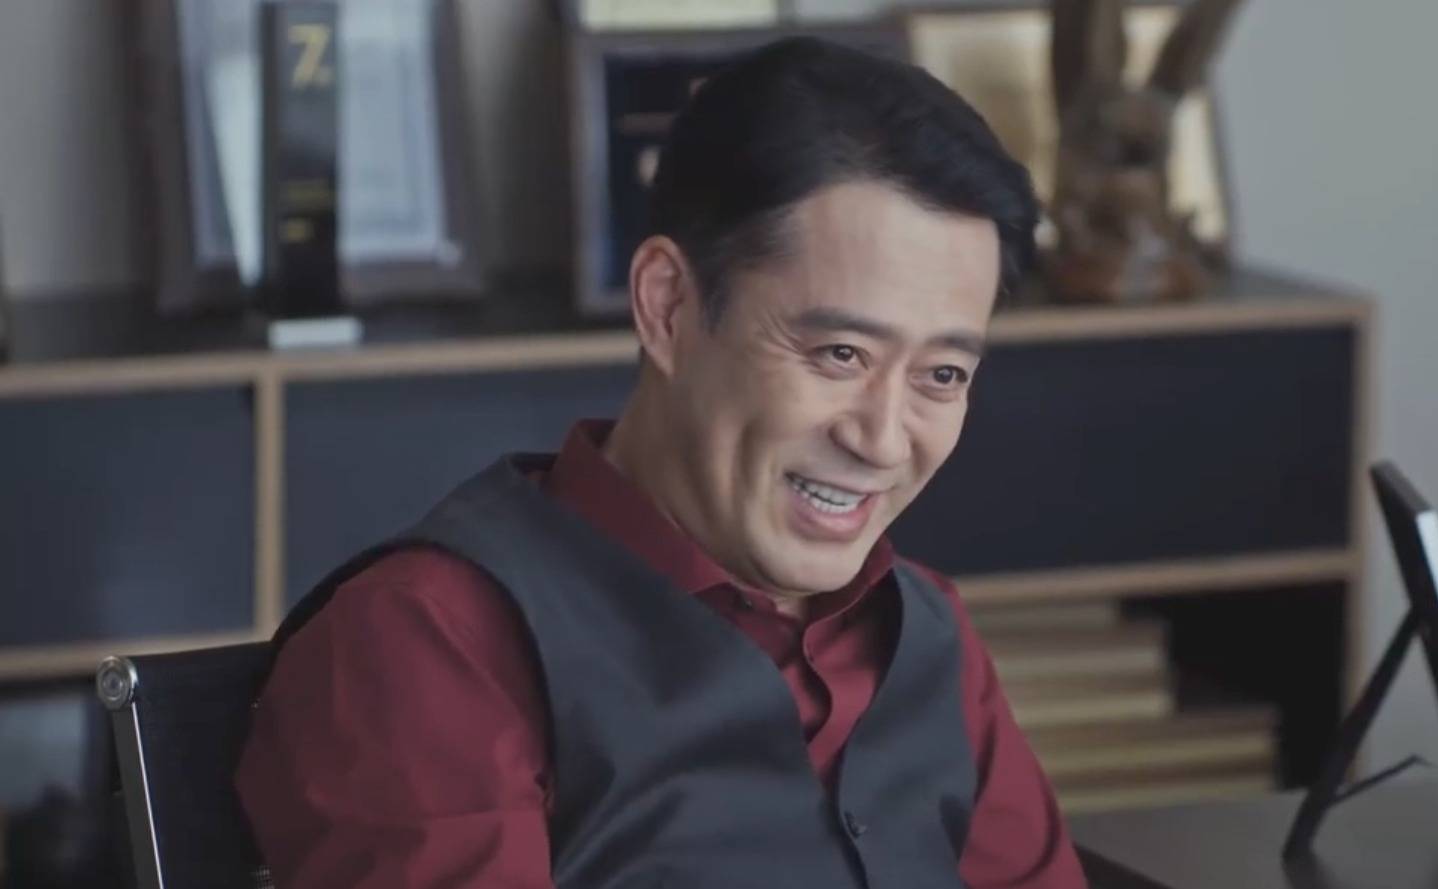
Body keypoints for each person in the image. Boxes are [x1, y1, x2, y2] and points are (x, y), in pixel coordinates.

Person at [237, 36, 1088, 889]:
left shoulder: (928, 631)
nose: (883, 439)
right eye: (839, 354)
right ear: (669, 305)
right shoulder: (432, 643)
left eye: (942, 375)